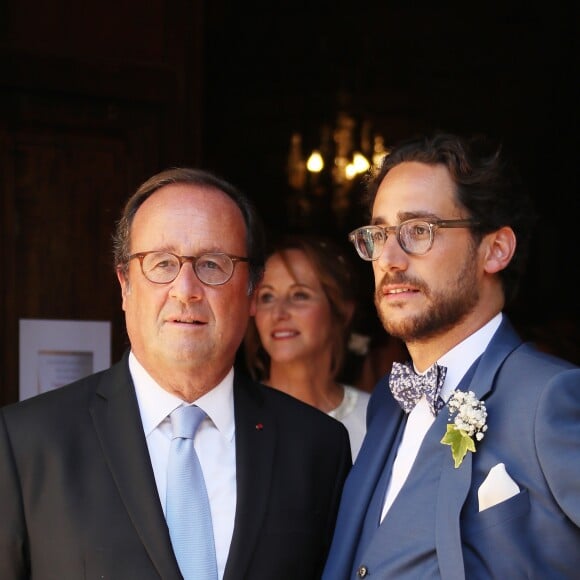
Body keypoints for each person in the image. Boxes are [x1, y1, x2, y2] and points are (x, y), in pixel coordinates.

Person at [0, 167, 352, 580]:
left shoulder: (316, 448)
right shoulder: (26, 443)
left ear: (252, 292)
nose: (186, 289)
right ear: (125, 286)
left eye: (212, 264)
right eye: (162, 263)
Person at [322, 132, 580, 579]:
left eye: (418, 231)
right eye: (379, 233)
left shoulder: (549, 397)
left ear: (495, 249)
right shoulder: (387, 402)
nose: (390, 258)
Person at [244, 234, 371, 459]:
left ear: (341, 310)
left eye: (299, 295)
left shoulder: (373, 420)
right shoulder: (237, 417)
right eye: (266, 297)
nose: (278, 312)